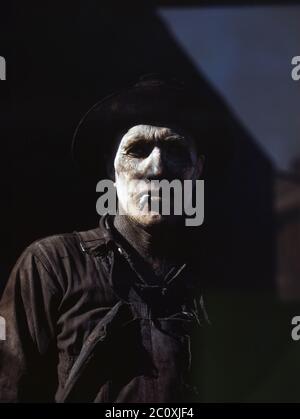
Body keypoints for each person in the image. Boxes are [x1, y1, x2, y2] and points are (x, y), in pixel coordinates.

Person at [0, 75, 231, 402]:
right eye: (138, 150)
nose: (157, 168)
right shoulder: (52, 265)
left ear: (197, 170)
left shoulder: (220, 278)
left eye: (175, 149)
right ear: (112, 170)